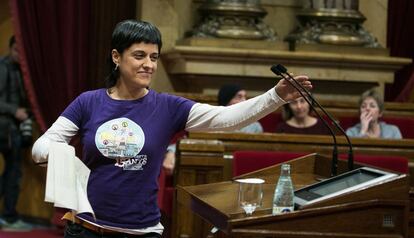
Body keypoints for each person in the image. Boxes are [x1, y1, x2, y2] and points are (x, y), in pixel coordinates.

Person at [31, 19, 312, 238]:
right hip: (86, 229)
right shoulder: (88, 102)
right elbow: (41, 146)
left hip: (141, 231)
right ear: (116, 57)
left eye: (154, 57)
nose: (148, 65)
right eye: (139, 55)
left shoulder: (168, 107)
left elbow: (227, 118)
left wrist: (275, 96)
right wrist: (57, 153)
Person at [0, 36, 33, 231]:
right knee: (13, 172)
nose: (19, 55)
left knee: (13, 172)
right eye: (16, 50)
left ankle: (9, 216)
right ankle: (9, 217)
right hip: (5, 128)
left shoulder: (22, 69)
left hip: (12, 128)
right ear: (11, 48)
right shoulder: (3, 67)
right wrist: (15, 111)